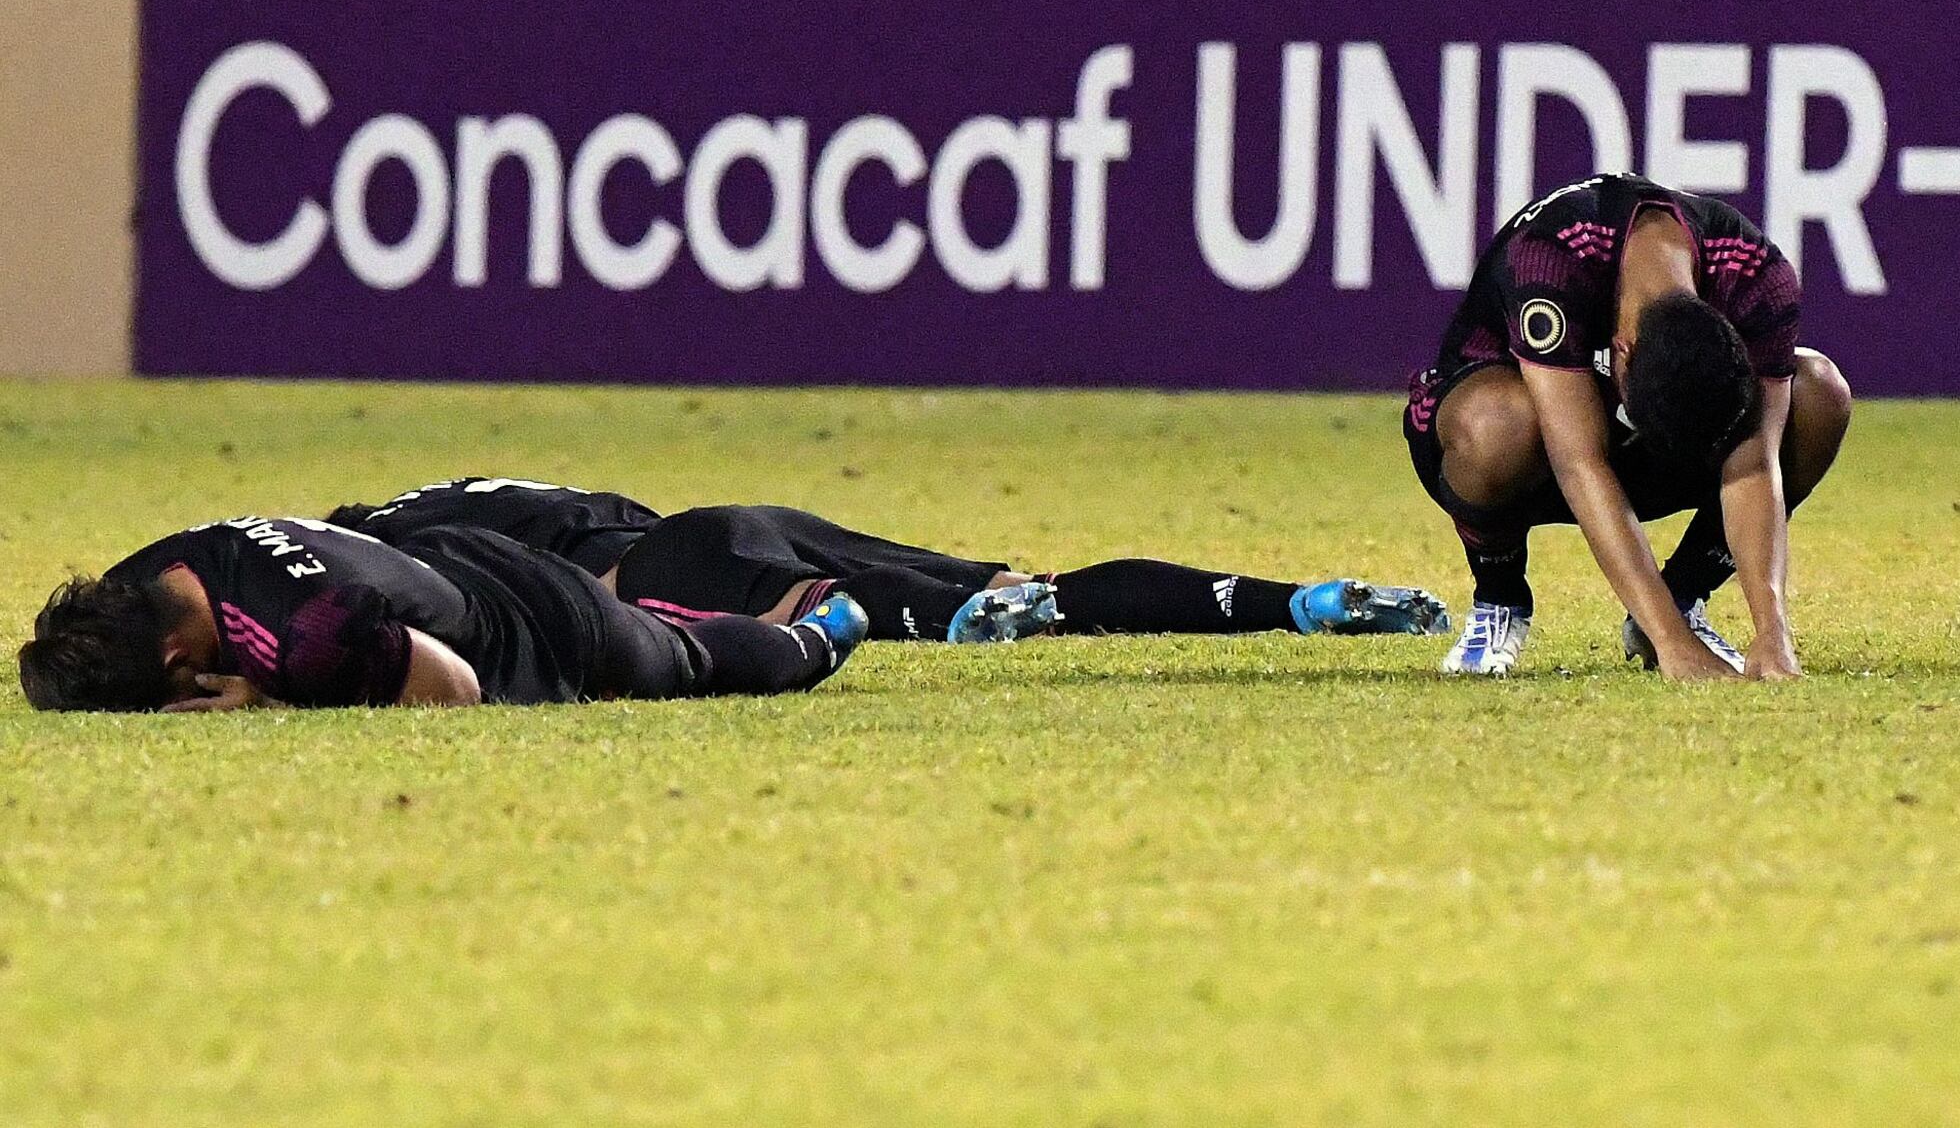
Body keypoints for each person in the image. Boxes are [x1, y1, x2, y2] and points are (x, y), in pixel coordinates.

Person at [1404, 173, 1851, 680]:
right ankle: (1499, 599)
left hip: (1636, 460)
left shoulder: (1755, 276)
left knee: (1818, 392)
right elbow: (1580, 465)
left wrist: (1773, 632)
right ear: (1622, 350)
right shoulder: (1551, 257)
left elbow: (1754, 460)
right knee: (1499, 425)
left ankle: (1684, 596)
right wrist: (1673, 646)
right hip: (1518, 451)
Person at [324, 477, 1450, 647]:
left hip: (679, 569)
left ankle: (1294, 605)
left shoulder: (404, 543)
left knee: (987, 625)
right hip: (740, 520)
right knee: (1033, 593)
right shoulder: (496, 486)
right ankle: (1291, 600)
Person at [17, 513, 866, 713]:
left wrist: (271, 705)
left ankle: (816, 635)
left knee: (685, 664)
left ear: (176, 666)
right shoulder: (148, 575)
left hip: (536, 619)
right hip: (440, 557)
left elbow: (455, 690)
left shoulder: (305, 641)